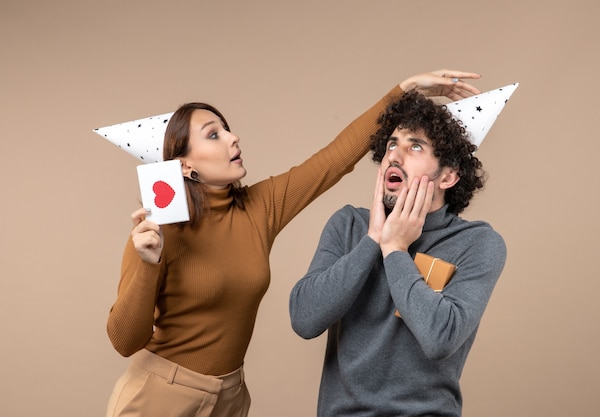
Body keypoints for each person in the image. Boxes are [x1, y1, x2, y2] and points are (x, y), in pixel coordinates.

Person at [104, 69, 482, 417]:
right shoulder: (157, 231)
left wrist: (403, 90)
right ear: (187, 166)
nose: (233, 137)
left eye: (227, 128)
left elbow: (334, 160)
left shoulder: (258, 207)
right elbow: (125, 340)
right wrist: (146, 263)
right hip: (160, 395)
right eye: (213, 134)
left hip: (230, 395)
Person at [289, 90, 507, 416]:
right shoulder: (349, 224)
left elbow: (440, 338)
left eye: (414, 145)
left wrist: (395, 249)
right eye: (392, 143)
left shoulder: (477, 243)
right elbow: (305, 319)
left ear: (447, 175)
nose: (394, 155)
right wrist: (373, 239)